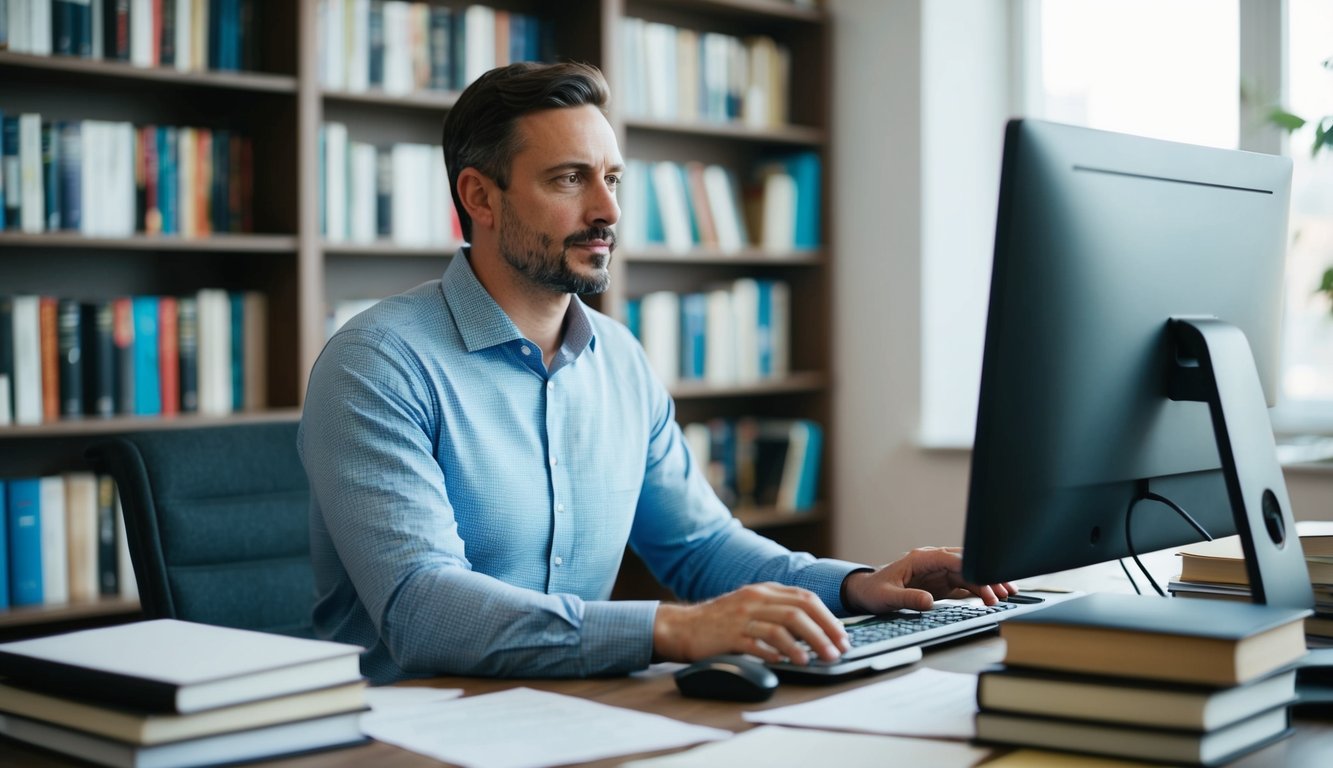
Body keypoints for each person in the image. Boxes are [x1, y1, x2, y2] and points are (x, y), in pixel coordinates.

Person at [298, 61, 1014, 684]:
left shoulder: (619, 360)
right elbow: (421, 609)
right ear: (480, 197)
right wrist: (670, 631)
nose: (607, 210)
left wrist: (857, 585)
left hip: (570, 714)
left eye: (611, 179)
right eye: (568, 179)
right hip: (398, 734)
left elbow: (701, 548)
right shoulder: (377, 363)